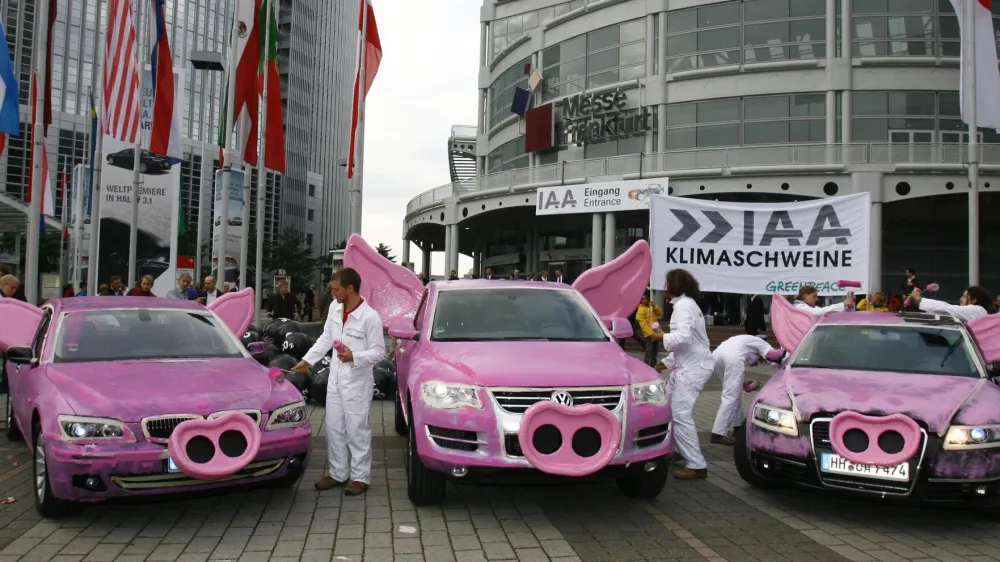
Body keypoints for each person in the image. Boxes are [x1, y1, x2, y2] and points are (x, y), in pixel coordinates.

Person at [291, 268, 385, 496]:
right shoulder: (335, 307)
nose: (332, 293)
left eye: (336, 289)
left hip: (357, 383)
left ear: (350, 288)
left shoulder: (370, 317)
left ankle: (360, 477)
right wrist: (307, 360)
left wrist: (356, 357)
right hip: (335, 379)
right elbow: (326, 337)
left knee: (356, 430)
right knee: (334, 428)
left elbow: (379, 352)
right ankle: (337, 473)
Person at [652, 268, 715, 480]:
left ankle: (696, 464)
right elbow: (692, 342)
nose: (665, 286)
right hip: (691, 364)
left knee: (679, 412)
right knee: (670, 408)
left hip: (693, 368)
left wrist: (661, 337)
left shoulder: (683, 306)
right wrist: (667, 361)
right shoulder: (687, 304)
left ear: (674, 285)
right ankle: (677, 450)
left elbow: (684, 337)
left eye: (667, 282)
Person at [708, 335, 785, 445]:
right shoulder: (762, 344)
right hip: (732, 357)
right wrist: (785, 367)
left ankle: (738, 427)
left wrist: (743, 382)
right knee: (731, 397)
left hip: (717, 356)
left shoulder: (746, 342)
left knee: (734, 394)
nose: (755, 365)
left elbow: (736, 373)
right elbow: (772, 356)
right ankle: (718, 433)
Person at [910, 285, 995, 323]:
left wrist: (920, 300)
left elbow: (947, 308)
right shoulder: (976, 312)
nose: (960, 299)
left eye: (965, 297)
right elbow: (943, 313)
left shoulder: (977, 310)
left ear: (974, 300)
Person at [635, 294, 662, 366]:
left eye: (645, 299)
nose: (643, 300)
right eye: (642, 299)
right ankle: (646, 366)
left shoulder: (651, 307)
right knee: (649, 351)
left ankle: (653, 366)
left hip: (656, 331)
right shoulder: (641, 309)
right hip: (649, 334)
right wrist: (651, 334)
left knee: (655, 351)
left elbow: (660, 313)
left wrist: (655, 306)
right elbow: (643, 324)